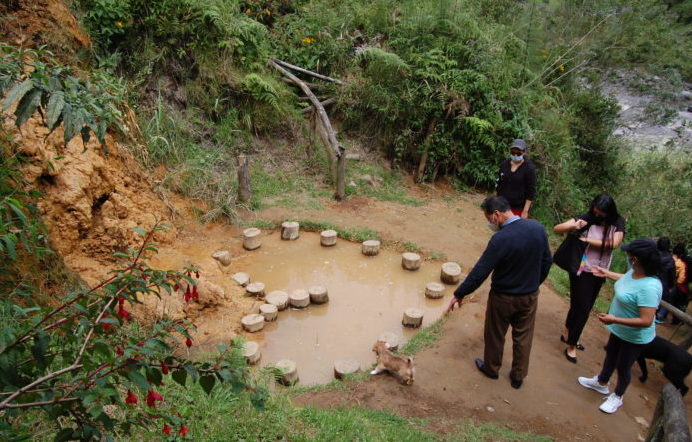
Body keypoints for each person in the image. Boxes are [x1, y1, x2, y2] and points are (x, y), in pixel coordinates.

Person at [446, 196, 552, 389]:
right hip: (529, 296)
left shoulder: (501, 239)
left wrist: (460, 293)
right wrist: (534, 284)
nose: (489, 223)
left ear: (496, 214)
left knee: (495, 333)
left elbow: (480, 272)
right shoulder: (537, 228)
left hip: (503, 297)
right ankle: (518, 376)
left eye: (488, 219)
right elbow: (547, 261)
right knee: (523, 336)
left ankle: (491, 368)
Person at [577, 238, 662, 414]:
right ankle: (601, 382)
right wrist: (606, 273)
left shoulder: (650, 287)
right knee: (611, 355)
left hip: (634, 335)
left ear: (636, 259)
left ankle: (618, 396)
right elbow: (627, 279)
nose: (627, 256)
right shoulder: (635, 272)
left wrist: (614, 319)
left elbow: (646, 320)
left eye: (629, 254)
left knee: (624, 365)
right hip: (619, 328)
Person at [554, 194, 625, 363]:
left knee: (582, 305)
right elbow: (558, 228)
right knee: (582, 307)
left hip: (600, 271)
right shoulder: (589, 217)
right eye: (596, 210)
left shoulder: (618, 222)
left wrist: (586, 239)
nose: (598, 214)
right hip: (581, 269)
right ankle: (572, 344)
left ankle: (568, 332)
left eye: (602, 212)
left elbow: (614, 244)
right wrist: (574, 226)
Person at [495, 139, 536, 219]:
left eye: (518, 153)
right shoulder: (504, 164)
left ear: (524, 152)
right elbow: (499, 183)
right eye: (513, 153)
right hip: (502, 205)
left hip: (517, 208)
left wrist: (525, 211)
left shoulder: (529, 168)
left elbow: (530, 192)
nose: (515, 155)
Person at [655, 237, 676, 323]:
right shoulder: (671, 260)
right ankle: (658, 316)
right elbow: (672, 275)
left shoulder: (653, 255)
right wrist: (670, 286)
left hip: (650, 281)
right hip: (663, 285)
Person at [671, 243, 690, 317]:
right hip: (683, 284)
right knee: (682, 302)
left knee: (674, 300)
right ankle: (679, 318)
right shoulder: (687, 260)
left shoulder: (673, 260)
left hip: (675, 283)